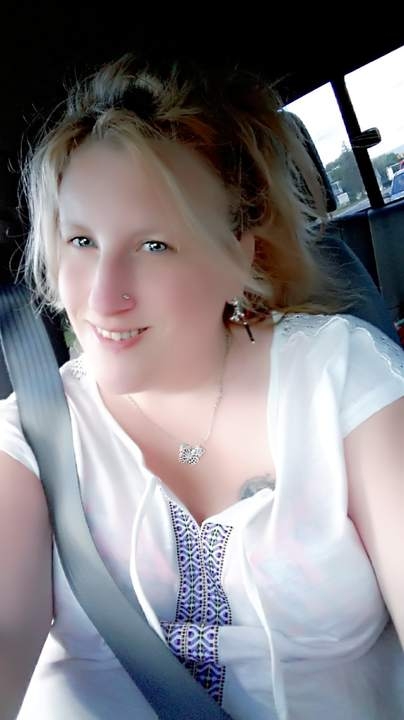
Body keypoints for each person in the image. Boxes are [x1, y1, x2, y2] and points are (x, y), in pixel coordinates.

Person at [0, 54, 403, 720]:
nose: (102, 297)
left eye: (154, 245)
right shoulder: (30, 433)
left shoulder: (341, 376)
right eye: (81, 241)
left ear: (240, 253)